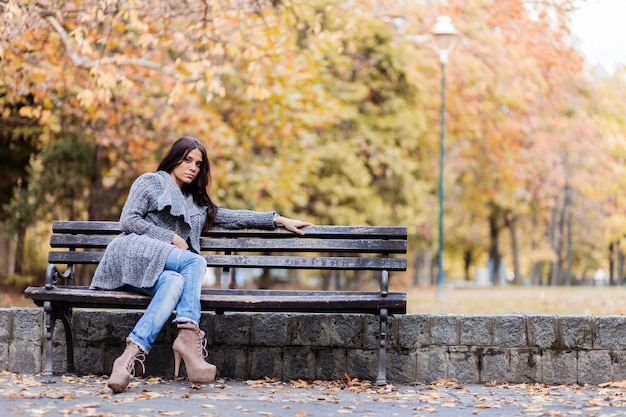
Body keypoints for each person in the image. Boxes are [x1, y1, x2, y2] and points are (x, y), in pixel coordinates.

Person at [90, 136, 312, 393]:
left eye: (198, 163)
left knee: (175, 282)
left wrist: (278, 219)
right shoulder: (151, 182)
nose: (193, 167)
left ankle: (127, 359)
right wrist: (170, 237)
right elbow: (128, 220)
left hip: (160, 271)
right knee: (195, 262)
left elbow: (232, 217)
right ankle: (188, 334)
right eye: (187, 160)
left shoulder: (195, 205)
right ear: (174, 158)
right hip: (133, 255)